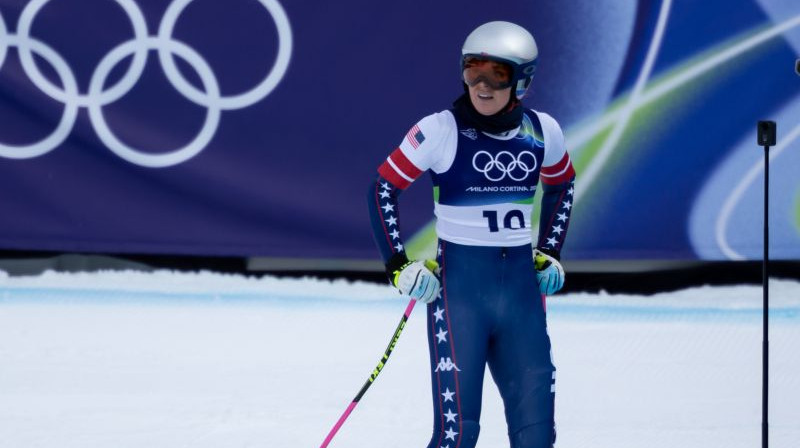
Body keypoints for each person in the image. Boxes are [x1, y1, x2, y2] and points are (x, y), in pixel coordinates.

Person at [367, 21, 575, 448]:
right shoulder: (439, 130)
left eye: (496, 74)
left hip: (520, 298)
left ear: (523, 81)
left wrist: (550, 251)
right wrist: (398, 268)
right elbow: (382, 189)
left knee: (537, 436)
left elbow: (563, 183)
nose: (480, 85)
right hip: (460, 297)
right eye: (471, 70)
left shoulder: (542, 131)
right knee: (457, 436)